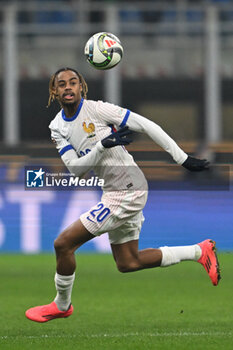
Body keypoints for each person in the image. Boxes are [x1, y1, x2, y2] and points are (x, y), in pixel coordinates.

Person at [25, 67, 220, 323]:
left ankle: (62, 305)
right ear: (54, 91)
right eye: (62, 84)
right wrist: (102, 145)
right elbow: (76, 170)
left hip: (129, 189)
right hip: (113, 191)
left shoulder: (98, 109)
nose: (68, 87)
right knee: (128, 262)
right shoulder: (57, 127)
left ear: (82, 86)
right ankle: (199, 251)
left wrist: (182, 158)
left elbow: (146, 125)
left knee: (63, 244)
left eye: (73, 82)